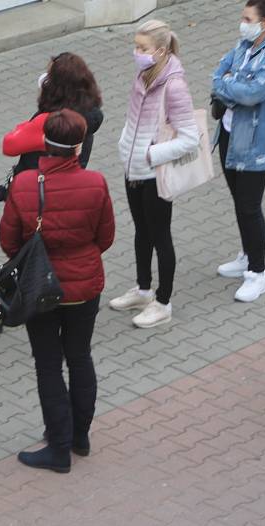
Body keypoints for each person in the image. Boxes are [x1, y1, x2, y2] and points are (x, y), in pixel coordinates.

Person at [1, 109, 114, 473]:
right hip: (85, 284)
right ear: (79, 146)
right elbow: (105, 237)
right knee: (80, 356)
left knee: (48, 364)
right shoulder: (96, 183)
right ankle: (80, 436)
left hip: (40, 288)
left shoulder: (24, 185)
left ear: (44, 143)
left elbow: (9, 241)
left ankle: (59, 447)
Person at [0, 52, 104, 334]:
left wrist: (30, 122)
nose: (44, 79)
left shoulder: (50, 120)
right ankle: (61, 300)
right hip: (70, 191)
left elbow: (10, 143)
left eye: (49, 75)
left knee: (29, 256)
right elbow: (105, 236)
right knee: (54, 255)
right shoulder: (88, 114)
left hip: (36, 194)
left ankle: (3, 311)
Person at [111, 19, 200, 328]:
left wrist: (150, 155)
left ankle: (163, 303)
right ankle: (143, 289)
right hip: (133, 167)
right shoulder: (143, 74)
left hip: (154, 174)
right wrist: (126, 145)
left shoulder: (174, 86)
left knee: (160, 236)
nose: (136, 52)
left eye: (142, 48)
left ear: (161, 51)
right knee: (141, 231)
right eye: (136, 46)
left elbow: (190, 138)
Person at [212, 0, 265, 303]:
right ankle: (247, 255)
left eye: (248, 18)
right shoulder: (243, 44)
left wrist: (228, 87)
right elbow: (219, 72)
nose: (242, 23)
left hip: (256, 142)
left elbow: (253, 93)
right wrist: (229, 84)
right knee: (240, 200)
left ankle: (258, 274)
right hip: (231, 135)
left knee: (249, 205)